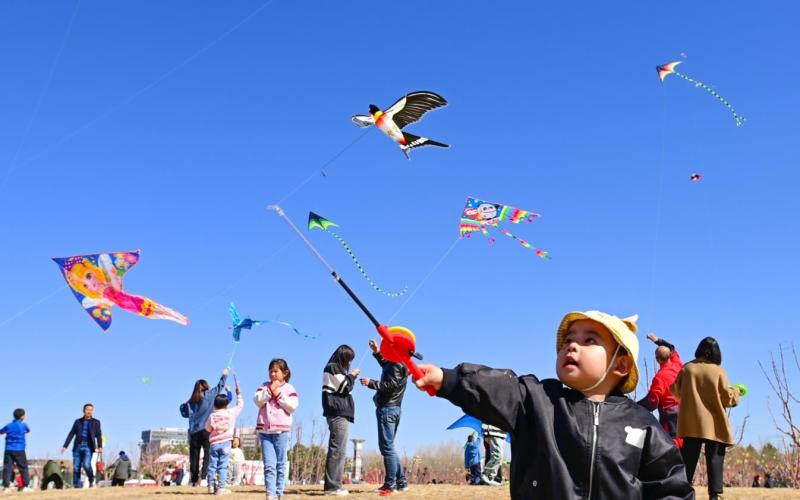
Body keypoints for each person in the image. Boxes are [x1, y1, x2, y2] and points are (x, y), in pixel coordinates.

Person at [412, 310, 694, 499]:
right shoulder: (538, 400)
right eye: (568, 340)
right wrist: (448, 379)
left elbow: (668, 484)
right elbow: (496, 389)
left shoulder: (642, 423)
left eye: (589, 340)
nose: (572, 346)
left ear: (620, 365)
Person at [671, 336, 740, 500]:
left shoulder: (687, 368)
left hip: (691, 422)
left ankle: (683, 492)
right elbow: (727, 398)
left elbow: (675, 390)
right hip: (714, 423)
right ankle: (714, 495)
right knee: (715, 458)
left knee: (688, 459)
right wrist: (736, 391)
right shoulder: (718, 371)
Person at [360, 339, 410, 496]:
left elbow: (390, 385)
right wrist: (376, 352)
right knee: (389, 447)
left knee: (387, 448)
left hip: (388, 410)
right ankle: (401, 481)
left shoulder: (396, 365)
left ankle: (390, 484)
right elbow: (386, 364)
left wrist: (371, 383)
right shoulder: (398, 362)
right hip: (392, 409)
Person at [254, 359, 299, 500]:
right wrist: (269, 391)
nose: (273, 374)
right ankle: (270, 494)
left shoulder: (289, 388)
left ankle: (279, 493)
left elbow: (292, 406)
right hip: (265, 431)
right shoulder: (263, 386)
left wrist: (278, 394)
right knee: (269, 465)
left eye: (276, 371)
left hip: (282, 431)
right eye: (271, 371)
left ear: (284, 373)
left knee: (281, 464)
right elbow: (257, 400)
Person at [180, 368, 229, 486]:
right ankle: (203, 478)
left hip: (193, 432)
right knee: (208, 454)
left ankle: (193, 480)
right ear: (206, 387)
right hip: (207, 430)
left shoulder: (191, 401)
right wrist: (224, 374)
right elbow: (220, 386)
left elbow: (184, 413)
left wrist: (185, 404)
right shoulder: (209, 395)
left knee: (194, 457)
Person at [322, 344, 360, 496]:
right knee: (337, 450)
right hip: (337, 412)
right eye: (349, 359)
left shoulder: (335, 369)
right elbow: (345, 386)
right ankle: (332, 486)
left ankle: (334, 485)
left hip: (339, 413)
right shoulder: (332, 367)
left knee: (339, 450)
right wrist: (352, 376)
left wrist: (349, 376)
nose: (350, 363)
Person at [637, 333, 684, 447]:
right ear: (670, 356)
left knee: (672, 449)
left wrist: (634, 406)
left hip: (670, 418)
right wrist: (657, 340)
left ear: (657, 359)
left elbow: (652, 402)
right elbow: (672, 348)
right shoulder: (678, 365)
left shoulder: (660, 378)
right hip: (685, 414)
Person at [205, 378, 244, 495]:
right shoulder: (230, 413)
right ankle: (221, 487)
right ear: (226, 405)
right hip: (226, 443)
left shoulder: (212, 415)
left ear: (215, 405)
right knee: (223, 465)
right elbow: (240, 405)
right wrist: (238, 394)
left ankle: (211, 486)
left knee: (212, 465)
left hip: (214, 444)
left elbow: (207, 429)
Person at [61, 403, 102, 488]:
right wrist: (65, 446)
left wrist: (100, 446)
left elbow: (98, 435)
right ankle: (77, 485)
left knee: (87, 465)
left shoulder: (96, 422)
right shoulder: (77, 422)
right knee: (76, 467)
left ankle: (91, 479)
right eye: (88, 410)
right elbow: (71, 433)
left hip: (89, 447)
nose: (89, 411)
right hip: (78, 446)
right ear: (84, 411)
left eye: (91, 410)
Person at [1, 408, 31, 493]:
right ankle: (26, 486)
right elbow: (28, 430)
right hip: (20, 449)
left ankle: (6, 487)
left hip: (8, 449)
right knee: (23, 468)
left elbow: (1, 432)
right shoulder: (23, 425)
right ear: (22, 416)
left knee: (7, 468)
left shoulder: (9, 425)